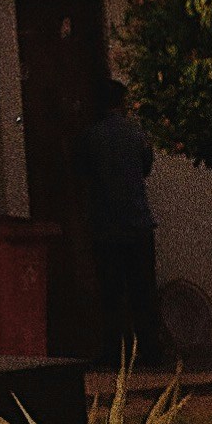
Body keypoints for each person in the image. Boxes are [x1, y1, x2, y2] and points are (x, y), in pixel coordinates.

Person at [74, 77, 163, 366]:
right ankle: (150, 350)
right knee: (143, 291)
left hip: (106, 226)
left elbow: (81, 171)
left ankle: (115, 352)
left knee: (112, 293)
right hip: (138, 223)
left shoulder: (91, 136)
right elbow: (145, 167)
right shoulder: (136, 134)